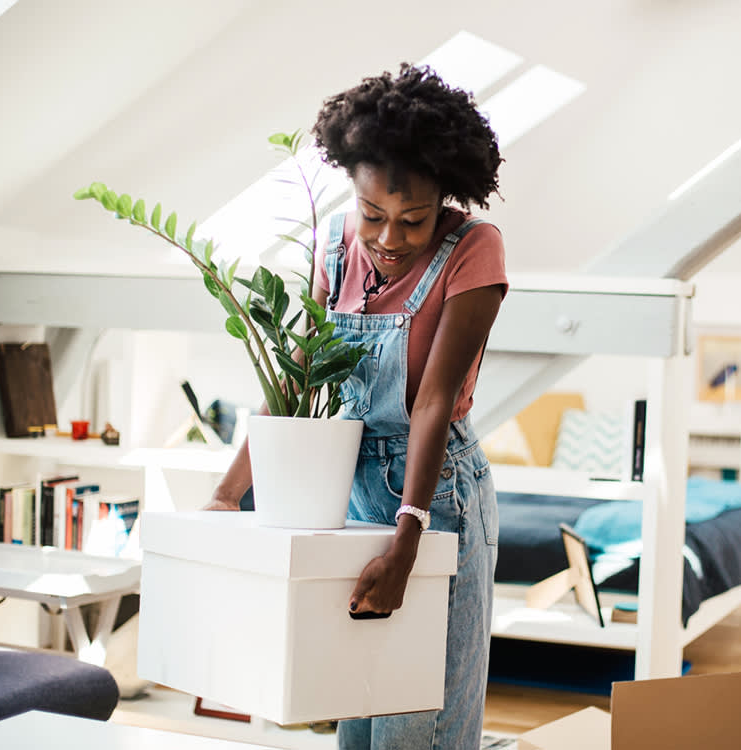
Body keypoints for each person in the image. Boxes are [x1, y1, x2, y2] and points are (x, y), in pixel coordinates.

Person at [205, 63, 507, 750]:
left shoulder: (474, 251)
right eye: (374, 215)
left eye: (414, 221)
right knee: (358, 716)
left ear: (445, 202)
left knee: (417, 723)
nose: (390, 239)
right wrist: (226, 495)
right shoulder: (338, 244)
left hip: (435, 501)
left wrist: (408, 539)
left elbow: (432, 401)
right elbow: (299, 382)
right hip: (347, 491)